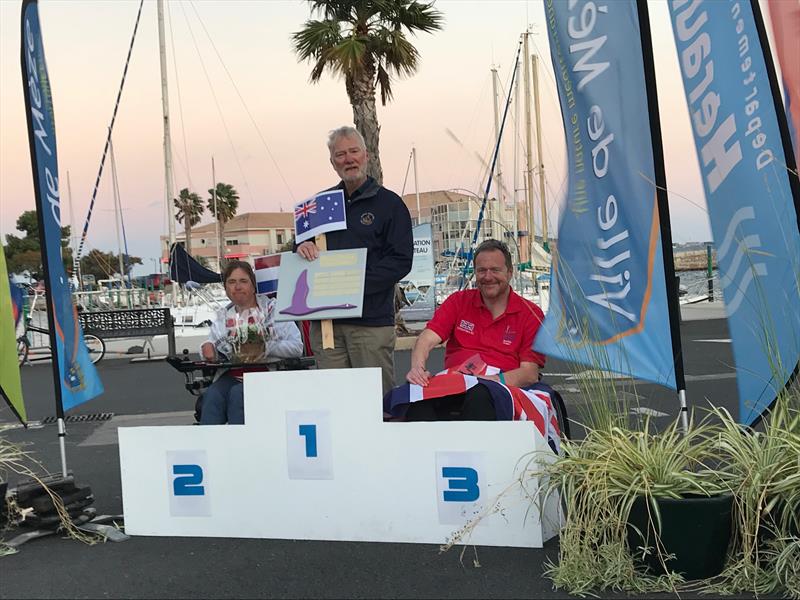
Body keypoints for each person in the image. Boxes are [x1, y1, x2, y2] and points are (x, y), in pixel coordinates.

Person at [296, 126, 413, 396]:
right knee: (335, 404)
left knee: (375, 403)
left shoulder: (389, 204)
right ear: (332, 162)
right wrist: (301, 246)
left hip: (370, 323)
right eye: (340, 154)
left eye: (353, 152)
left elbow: (400, 261)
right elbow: (298, 248)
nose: (348, 159)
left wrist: (354, 285)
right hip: (327, 325)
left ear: (366, 155)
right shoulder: (320, 205)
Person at [397, 239, 546, 421]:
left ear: (509, 273)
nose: (488, 276)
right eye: (482, 270)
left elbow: (529, 373)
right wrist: (417, 370)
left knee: (479, 395)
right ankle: (426, 448)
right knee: (414, 396)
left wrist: (489, 380)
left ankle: (477, 449)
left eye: (495, 270)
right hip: (457, 382)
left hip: (501, 386)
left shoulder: (530, 313)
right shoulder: (458, 301)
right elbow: (425, 340)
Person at [199, 260, 303, 424]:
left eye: (243, 281)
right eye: (231, 282)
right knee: (212, 396)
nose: (237, 287)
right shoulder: (222, 317)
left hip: (268, 374)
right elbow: (213, 348)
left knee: (238, 394)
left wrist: (264, 347)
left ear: (254, 286)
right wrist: (208, 350)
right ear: (226, 289)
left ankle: (241, 446)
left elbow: (297, 347)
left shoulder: (274, 310)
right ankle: (209, 446)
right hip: (231, 376)